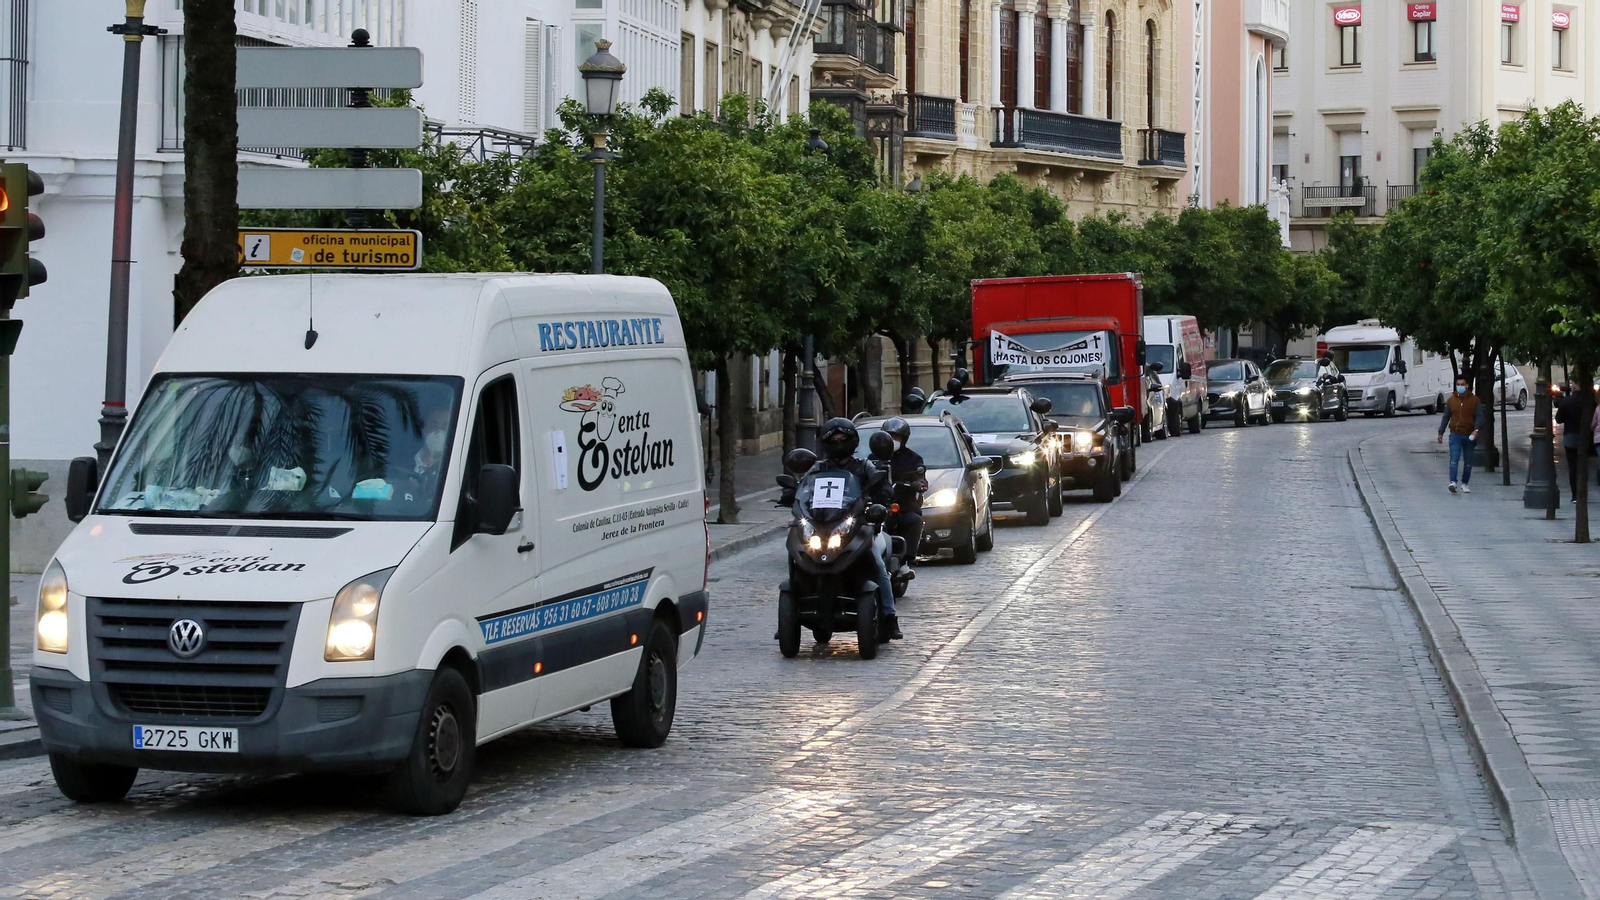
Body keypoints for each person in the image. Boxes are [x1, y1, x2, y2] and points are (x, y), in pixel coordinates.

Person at [817, 417, 902, 641]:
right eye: (833, 440)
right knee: (797, 555)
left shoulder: (864, 466)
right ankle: (792, 607)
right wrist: (792, 494)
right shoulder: (819, 468)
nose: (838, 444)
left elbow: (882, 485)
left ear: (852, 441)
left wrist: (882, 495)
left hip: (857, 526)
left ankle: (889, 615)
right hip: (823, 527)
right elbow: (804, 489)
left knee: (877, 564)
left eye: (842, 439)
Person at [879, 417, 928, 577]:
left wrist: (918, 483)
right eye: (890, 436)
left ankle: (906, 561)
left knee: (914, 520)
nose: (893, 440)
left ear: (904, 439)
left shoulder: (913, 459)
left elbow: (920, 475)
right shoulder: (874, 458)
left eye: (897, 437)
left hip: (904, 505)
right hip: (879, 506)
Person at [1437, 375, 1489, 494]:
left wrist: (1476, 430)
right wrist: (1441, 432)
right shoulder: (1451, 401)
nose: (1460, 386)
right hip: (1455, 434)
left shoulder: (1474, 400)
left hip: (1469, 435)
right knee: (1454, 460)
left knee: (1468, 462)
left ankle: (1465, 483)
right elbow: (1446, 417)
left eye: (1462, 384)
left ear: (1467, 386)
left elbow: (1480, 417)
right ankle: (1453, 482)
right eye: (1458, 384)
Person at [1556, 387, 1590, 503]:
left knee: (1572, 467)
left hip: (1570, 436)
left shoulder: (1566, 401)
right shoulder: (1588, 402)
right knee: (1583, 466)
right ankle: (1583, 492)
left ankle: (1575, 495)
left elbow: (1558, 419)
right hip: (1585, 438)